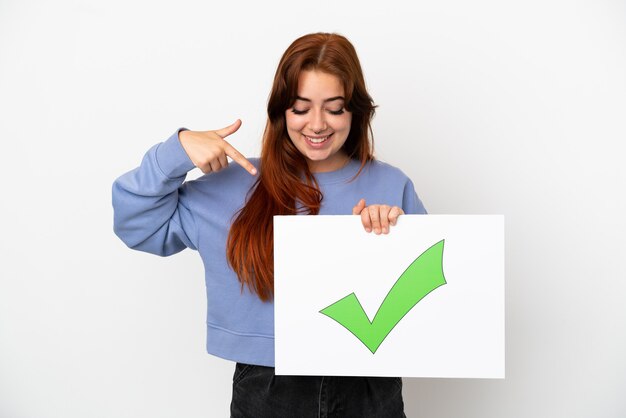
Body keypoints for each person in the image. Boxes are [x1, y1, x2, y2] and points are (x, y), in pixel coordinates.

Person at [112, 32, 426, 417]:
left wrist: (394, 238)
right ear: (280, 111)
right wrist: (176, 151)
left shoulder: (392, 185)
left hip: (368, 385)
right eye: (300, 107)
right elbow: (135, 223)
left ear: (355, 112)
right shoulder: (233, 184)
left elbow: (424, 308)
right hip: (268, 388)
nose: (317, 124)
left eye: (334, 108)